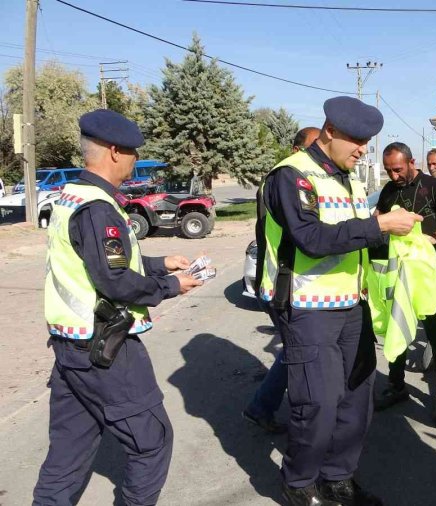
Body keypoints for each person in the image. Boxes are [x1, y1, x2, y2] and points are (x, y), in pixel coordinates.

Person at [256, 96, 421, 506]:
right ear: (329, 132)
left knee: (355, 401)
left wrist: (402, 243)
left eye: (367, 141)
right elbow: (311, 239)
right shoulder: (292, 176)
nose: (363, 149)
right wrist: (379, 223)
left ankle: (338, 480)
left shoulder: (349, 177)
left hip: (352, 305)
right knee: (317, 404)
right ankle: (299, 485)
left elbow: (355, 238)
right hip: (307, 307)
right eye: (357, 140)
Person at [33, 109, 204, 505]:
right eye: (131, 152)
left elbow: (98, 263)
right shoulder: (98, 208)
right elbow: (114, 281)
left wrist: (163, 264)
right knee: (151, 443)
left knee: (68, 458)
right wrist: (169, 286)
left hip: (71, 347)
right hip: (105, 351)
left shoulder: (72, 196)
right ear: (113, 152)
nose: (133, 160)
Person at [372, 142, 436, 421]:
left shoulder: (432, 186)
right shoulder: (389, 191)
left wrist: (434, 237)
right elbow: (377, 223)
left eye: (398, 169)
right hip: (396, 273)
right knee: (397, 326)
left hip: (426, 274)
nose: (393, 176)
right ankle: (396, 385)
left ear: (412, 162)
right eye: (388, 170)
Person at [243, 125, 323, 434]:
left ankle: (261, 406)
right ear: (295, 150)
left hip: (282, 282)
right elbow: (308, 235)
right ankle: (266, 408)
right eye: (313, 147)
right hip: (279, 285)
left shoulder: (290, 178)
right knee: (299, 352)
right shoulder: (285, 180)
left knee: (294, 350)